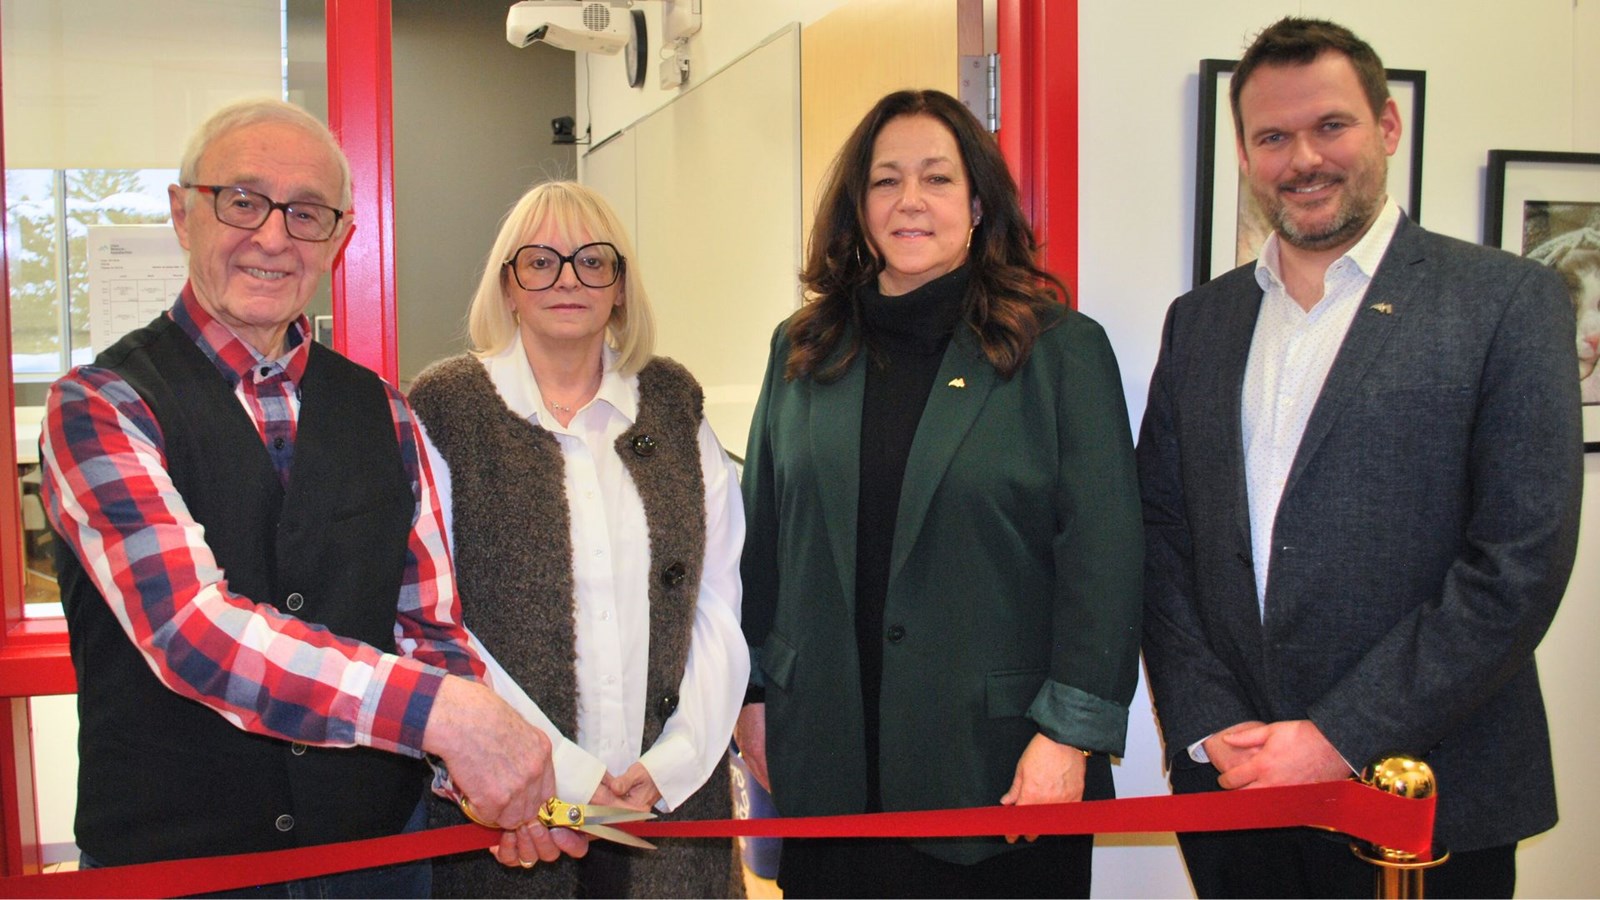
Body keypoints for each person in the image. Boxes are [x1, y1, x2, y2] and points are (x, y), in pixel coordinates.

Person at [39, 97, 586, 897]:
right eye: (243, 200)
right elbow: (193, 631)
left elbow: (428, 626)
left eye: (306, 214)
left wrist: (484, 776)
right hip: (178, 869)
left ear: (340, 239)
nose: (272, 237)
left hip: (372, 864)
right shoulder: (101, 406)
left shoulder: (387, 413)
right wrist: (447, 718)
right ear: (182, 212)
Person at [1138, 18, 1584, 899]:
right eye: (1273, 136)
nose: (1302, 158)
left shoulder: (1506, 303)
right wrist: (1209, 719)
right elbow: (1161, 535)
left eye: (1330, 126)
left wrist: (1337, 736)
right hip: (1236, 790)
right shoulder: (1202, 321)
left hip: (1423, 793)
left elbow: (1519, 563)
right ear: (1244, 153)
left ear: (1386, 128)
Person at [735, 89, 1144, 899]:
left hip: (1003, 773)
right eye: (886, 181)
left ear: (979, 201)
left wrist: (1070, 735)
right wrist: (750, 695)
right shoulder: (806, 347)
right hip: (829, 764)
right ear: (859, 205)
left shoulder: (1060, 351)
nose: (910, 201)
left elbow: (1106, 555)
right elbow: (763, 537)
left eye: (937, 178)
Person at [408, 180, 748, 898]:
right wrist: (568, 774)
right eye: (541, 261)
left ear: (621, 288)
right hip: (512, 814)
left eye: (594, 261)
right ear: (507, 285)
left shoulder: (674, 404)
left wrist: (672, 766)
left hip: (670, 811)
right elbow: (435, 620)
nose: (568, 279)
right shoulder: (447, 410)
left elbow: (719, 604)